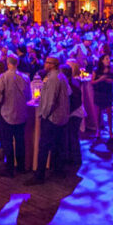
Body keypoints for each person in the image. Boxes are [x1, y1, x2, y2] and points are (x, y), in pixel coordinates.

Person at [27, 57, 70, 186]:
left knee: (44, 147)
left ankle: (39, 176)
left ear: (52, 65)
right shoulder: (61, 77)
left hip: (52, 118)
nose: (44, 64)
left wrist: (43, 115)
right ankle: (58, 170)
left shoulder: (52, 79)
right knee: (57, 145)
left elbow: (50, 101)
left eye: (47, 62)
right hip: (61, 117)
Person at [0, 55, 30, 177]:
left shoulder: (3, 77)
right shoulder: (25, 77)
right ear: (17, 64)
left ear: (8, 64)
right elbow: (29, 96)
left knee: (7, 142)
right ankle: (20, 167)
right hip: (21, 114)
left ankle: (9, 169)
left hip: (6, 114)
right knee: (20, 141)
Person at [92, 53, 113, 141]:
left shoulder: (112, 70)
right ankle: (98, 130)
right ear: (102, 60)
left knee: (109, 112)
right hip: (99, 92)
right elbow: (92, 82)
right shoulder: (96, 70)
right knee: (98, 112)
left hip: (108, 92)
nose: (108, 60)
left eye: (109, 59)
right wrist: (100, 79)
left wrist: (110, 81)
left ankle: (110, 130)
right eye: (106, 59)